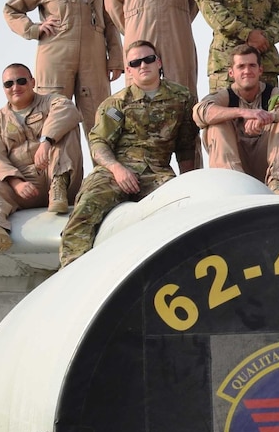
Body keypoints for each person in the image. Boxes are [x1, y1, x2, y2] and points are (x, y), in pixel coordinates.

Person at [59, 40, 202, 267]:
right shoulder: (116, 104)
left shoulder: (181, 98)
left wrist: (187, 182)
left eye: (148, 59)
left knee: (181, 211)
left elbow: (186, 144)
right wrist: (117, 170)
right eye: (135, 63)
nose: (143, 65)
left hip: (158, 172)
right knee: (87, 208)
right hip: (117, 170)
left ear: (159, 62)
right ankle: (73, 269)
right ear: (128, 70)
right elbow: (98, 143)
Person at [3, 0, 123, 133]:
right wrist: (33, 29)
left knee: (100, 118)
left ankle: (104, 166)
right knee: (55, 118)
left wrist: (116, 58)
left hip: (93, 58)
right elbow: (11, 9)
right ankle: (62, 167)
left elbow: (109, 20)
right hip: (55, 57)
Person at [0, 64, 84, 252]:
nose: (15, 87)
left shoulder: (52, 102)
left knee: (68, 126)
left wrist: (46, 140)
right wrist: (16, 183)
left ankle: (59, 188)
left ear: (32, 82)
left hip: (55, 173)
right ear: (4, 89)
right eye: (9, 84)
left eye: (21, 81)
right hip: (23, 184)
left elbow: (69, 110)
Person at [195, 45, 279, 193]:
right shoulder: (225, 96)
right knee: (216, 124)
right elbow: (200, 112)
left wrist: (272, 117)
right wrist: (243, 112)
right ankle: (234, 185)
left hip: (266, 165)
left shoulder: (272, 93)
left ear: (260, 70)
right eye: (241, 66)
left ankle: (278, 184)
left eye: (252, 65)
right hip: (236, 170)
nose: (247, 71)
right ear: (231, 73)